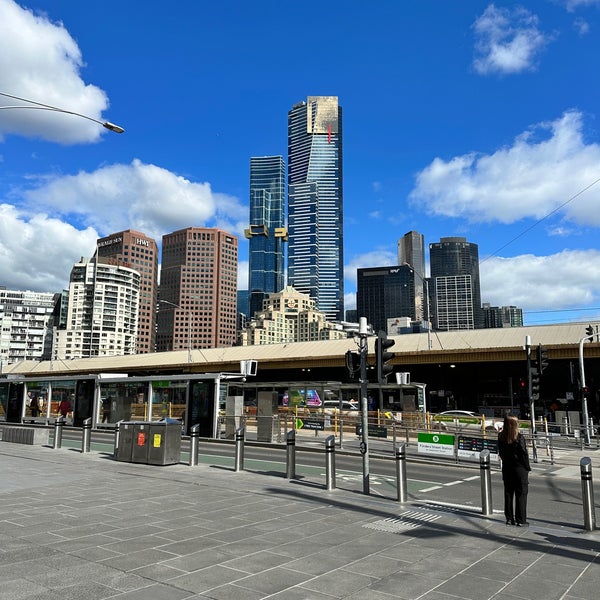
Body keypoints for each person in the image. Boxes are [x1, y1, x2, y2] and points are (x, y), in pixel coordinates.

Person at [498, 414, 531, 526]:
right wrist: (527, 467)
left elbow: (501, 452)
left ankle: (509, 518)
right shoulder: (519, 437)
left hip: (507, 468)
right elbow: (524, 454)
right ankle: (521, 519)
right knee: (521, 494)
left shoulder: (501, 436)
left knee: (508, 493)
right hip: (519, 469)